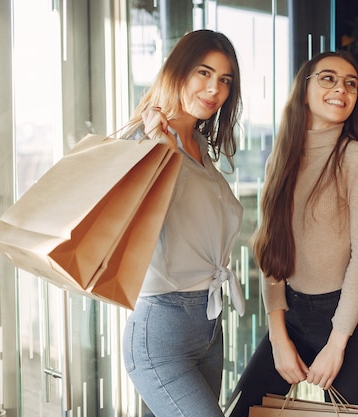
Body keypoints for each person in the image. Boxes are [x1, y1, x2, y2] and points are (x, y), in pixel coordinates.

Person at [225, 51, 358, 416]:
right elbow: (272, 253)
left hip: (347, 320)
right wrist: (279, 337)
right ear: (304, 90)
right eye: (328, 78)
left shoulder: (357, 157)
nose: (340, 89)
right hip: (291, 316)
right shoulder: (279, 160)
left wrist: (337, 344)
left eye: (351, 83)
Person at [120, 29, 245, 417]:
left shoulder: (202, 147)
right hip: (163, 327)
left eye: (224, 80)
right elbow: (126, 225)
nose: (214, 89)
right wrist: (161, 153)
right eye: (203, 73)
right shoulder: (146, 138)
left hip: (210, 325)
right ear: (177, 72)